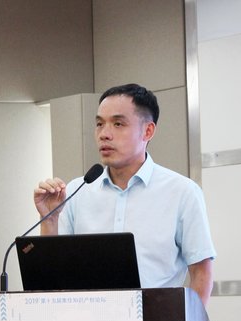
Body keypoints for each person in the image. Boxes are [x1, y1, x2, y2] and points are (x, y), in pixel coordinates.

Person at [33, 83, 216, 306]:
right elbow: (52, 276)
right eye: (99, 124)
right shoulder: (76, 191)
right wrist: (49, 220)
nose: (104, 134)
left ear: (148, 131)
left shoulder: (182, 192)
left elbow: (201, 273)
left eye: (118, 124)